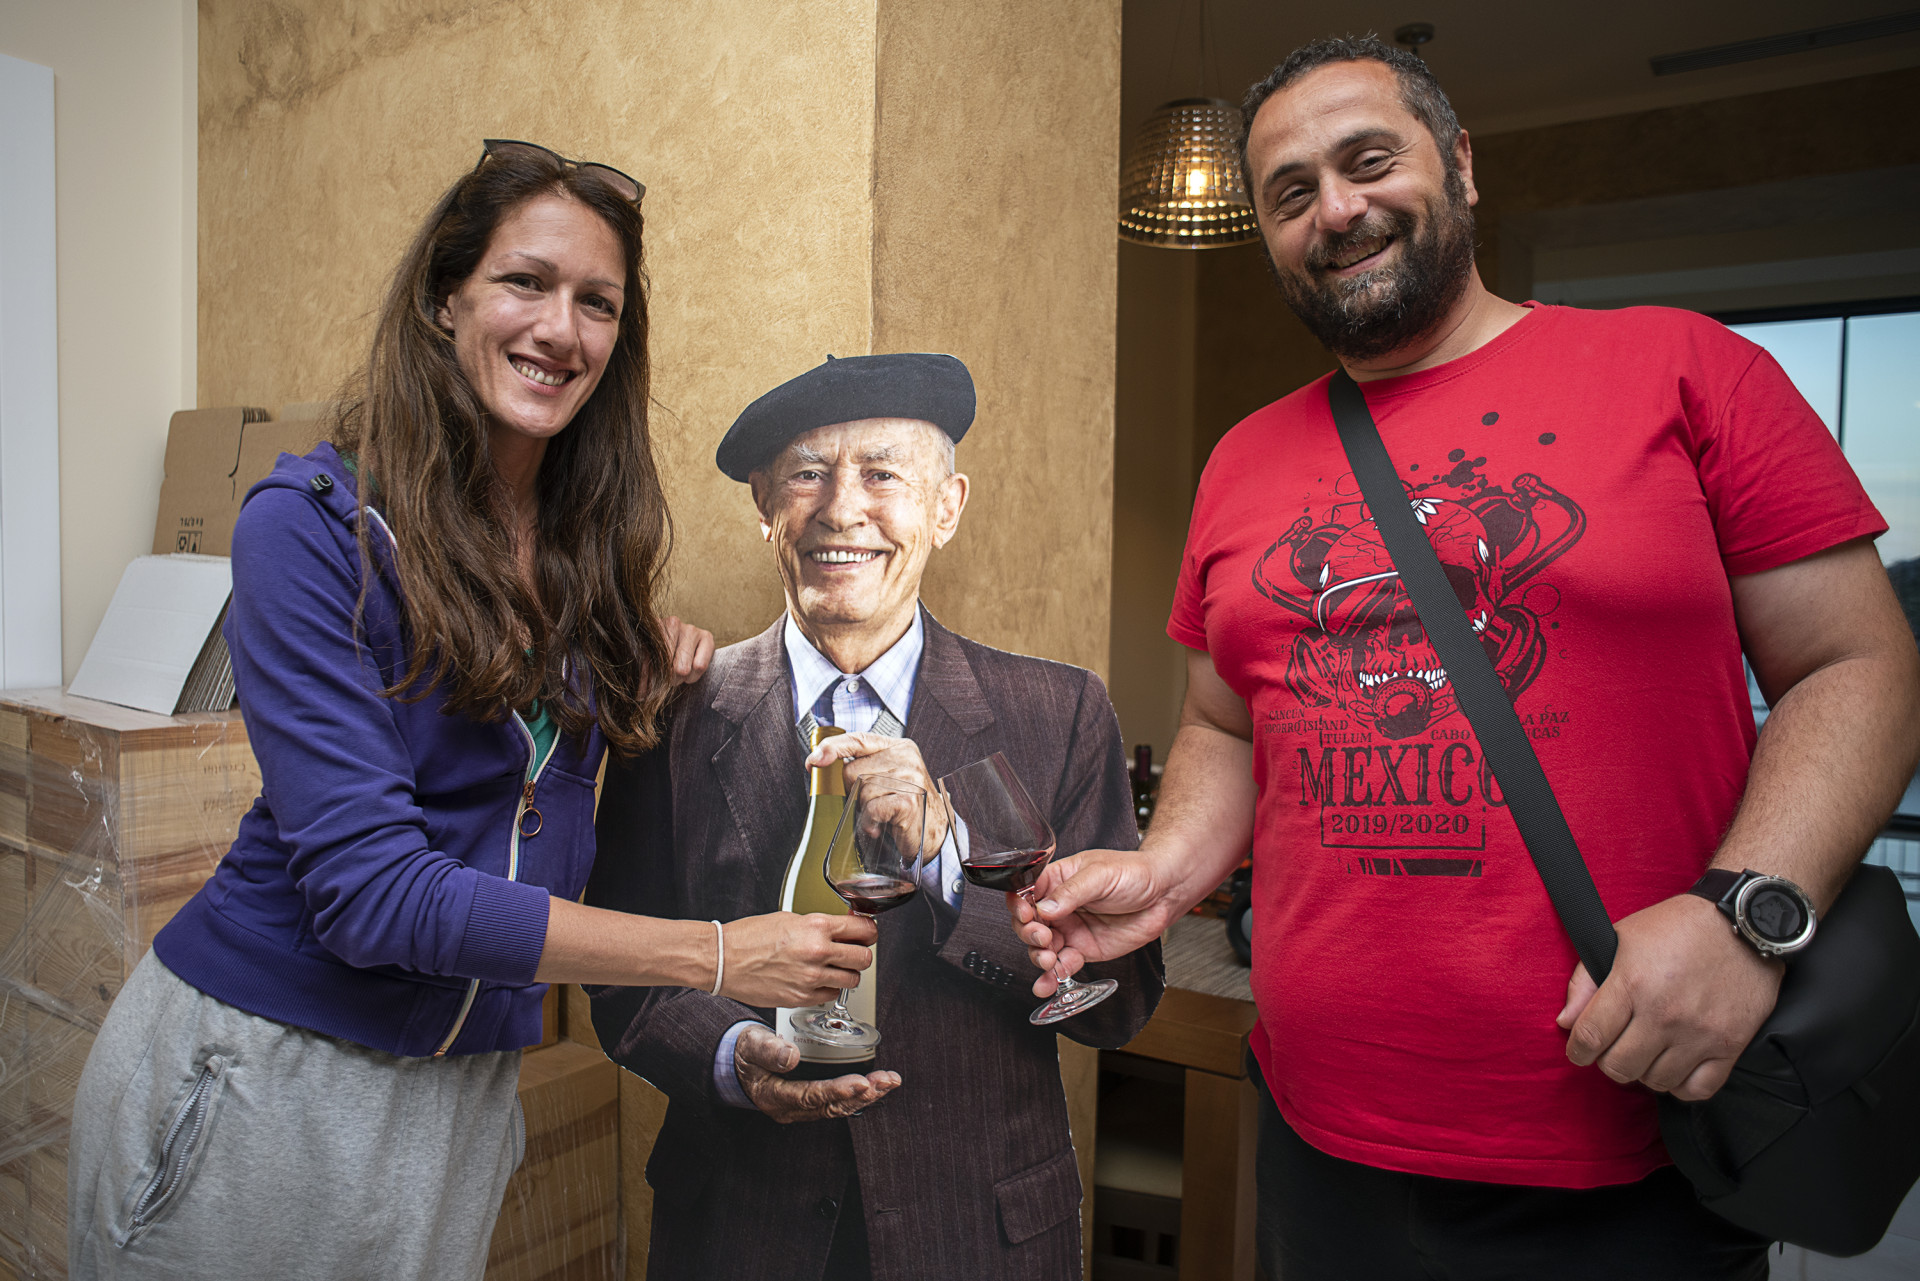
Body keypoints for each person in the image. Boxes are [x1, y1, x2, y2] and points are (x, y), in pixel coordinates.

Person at [1013, 36, 1920, 1281]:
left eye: (1367, 161)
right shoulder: (1240, 460)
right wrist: (1166, 873)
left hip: (1628, 1142)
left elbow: (1859, 666)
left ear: (1461, 165)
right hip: (1319, 1142)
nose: (1336, 209)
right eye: (1290, 192)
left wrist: (1743, 919)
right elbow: (1226, 724)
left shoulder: (1689, 368)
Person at [67, 140, 875, 1281]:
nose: (560, 329)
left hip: (461, 1091)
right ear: (445, 298)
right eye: (524, 282)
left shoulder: (585, 564)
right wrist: (714, 955)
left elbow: (533, 801)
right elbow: (375, 896)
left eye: (597, 302)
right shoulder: (305, 531)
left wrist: (635, 666)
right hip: (265, 1071)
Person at [585, 352, 1165, 1281]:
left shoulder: (1060, 712)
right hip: (738, 1232)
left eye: (883, 474)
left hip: (981, 1241)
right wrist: (730, 1056)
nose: (841, 508)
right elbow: (622, 976)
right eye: (808, 473)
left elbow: (1118, 1003)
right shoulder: (672, 710)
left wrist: (948, 859)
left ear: (947, 507)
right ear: (764, 505)